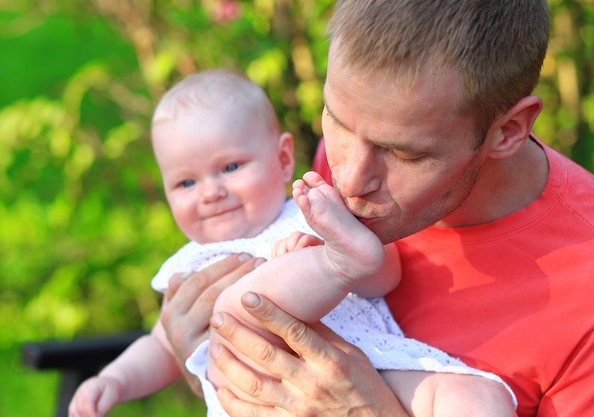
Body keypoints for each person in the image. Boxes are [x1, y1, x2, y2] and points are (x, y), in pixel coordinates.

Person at [158, 1, 594, 417]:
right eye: (337, 120)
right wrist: (204, 359)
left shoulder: (583, 296)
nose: (346, 178)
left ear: (508, 130)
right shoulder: (349, 158)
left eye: (403, 154)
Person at [68, 68, 517, 417]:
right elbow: (163, 344)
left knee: (476, 396)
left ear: (283, 160)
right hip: (262, 401)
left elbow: (385, 277)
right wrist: (115, 379)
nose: (210, 192)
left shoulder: (315, 212)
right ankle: (334, 265)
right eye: (186, 182)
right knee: (235, 305)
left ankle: (340, 264)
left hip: (369, 369)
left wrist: (355, 249)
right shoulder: (191, 265)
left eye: (229, 168)